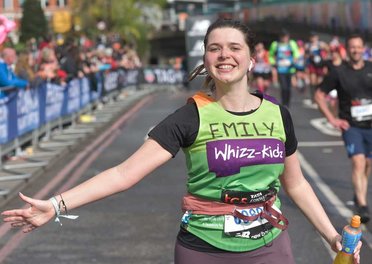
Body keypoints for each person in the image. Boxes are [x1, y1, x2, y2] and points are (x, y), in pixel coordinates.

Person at [1, 19, 361, 264]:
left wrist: (331, 238)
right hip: (204, 249)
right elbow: (124, 174)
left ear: (252, 59)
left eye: (235, 47)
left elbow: (295, 184)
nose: (225, 55)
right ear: (205, 59)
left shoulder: (277, 115)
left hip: (269, 247)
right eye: (215, 48)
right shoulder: (190, 116)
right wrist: (55, 205)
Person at [314, 34, 372, 224]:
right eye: (352, 47)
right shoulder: (339, 72)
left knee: (368, 165)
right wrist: (332, 119)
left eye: (359, 47)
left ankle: (359, 194)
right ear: (346, 50)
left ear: (364, 48)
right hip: (351, 126)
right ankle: (362, 205)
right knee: (358, 162)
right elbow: (320, 94)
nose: (356, 50)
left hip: (370, 126)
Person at [268, 29, 299, 107]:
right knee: (283, 87)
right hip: (281, 69)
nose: (284, 38)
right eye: (282, 36)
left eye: (285, 36)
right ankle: (284, 103)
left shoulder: (292, 44)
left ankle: (287, 102)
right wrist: (274, 63)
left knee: (288, 87)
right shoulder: (275, 44)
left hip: (290, 69)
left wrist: (293, 62)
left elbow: (296, 54)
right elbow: (270, 55)